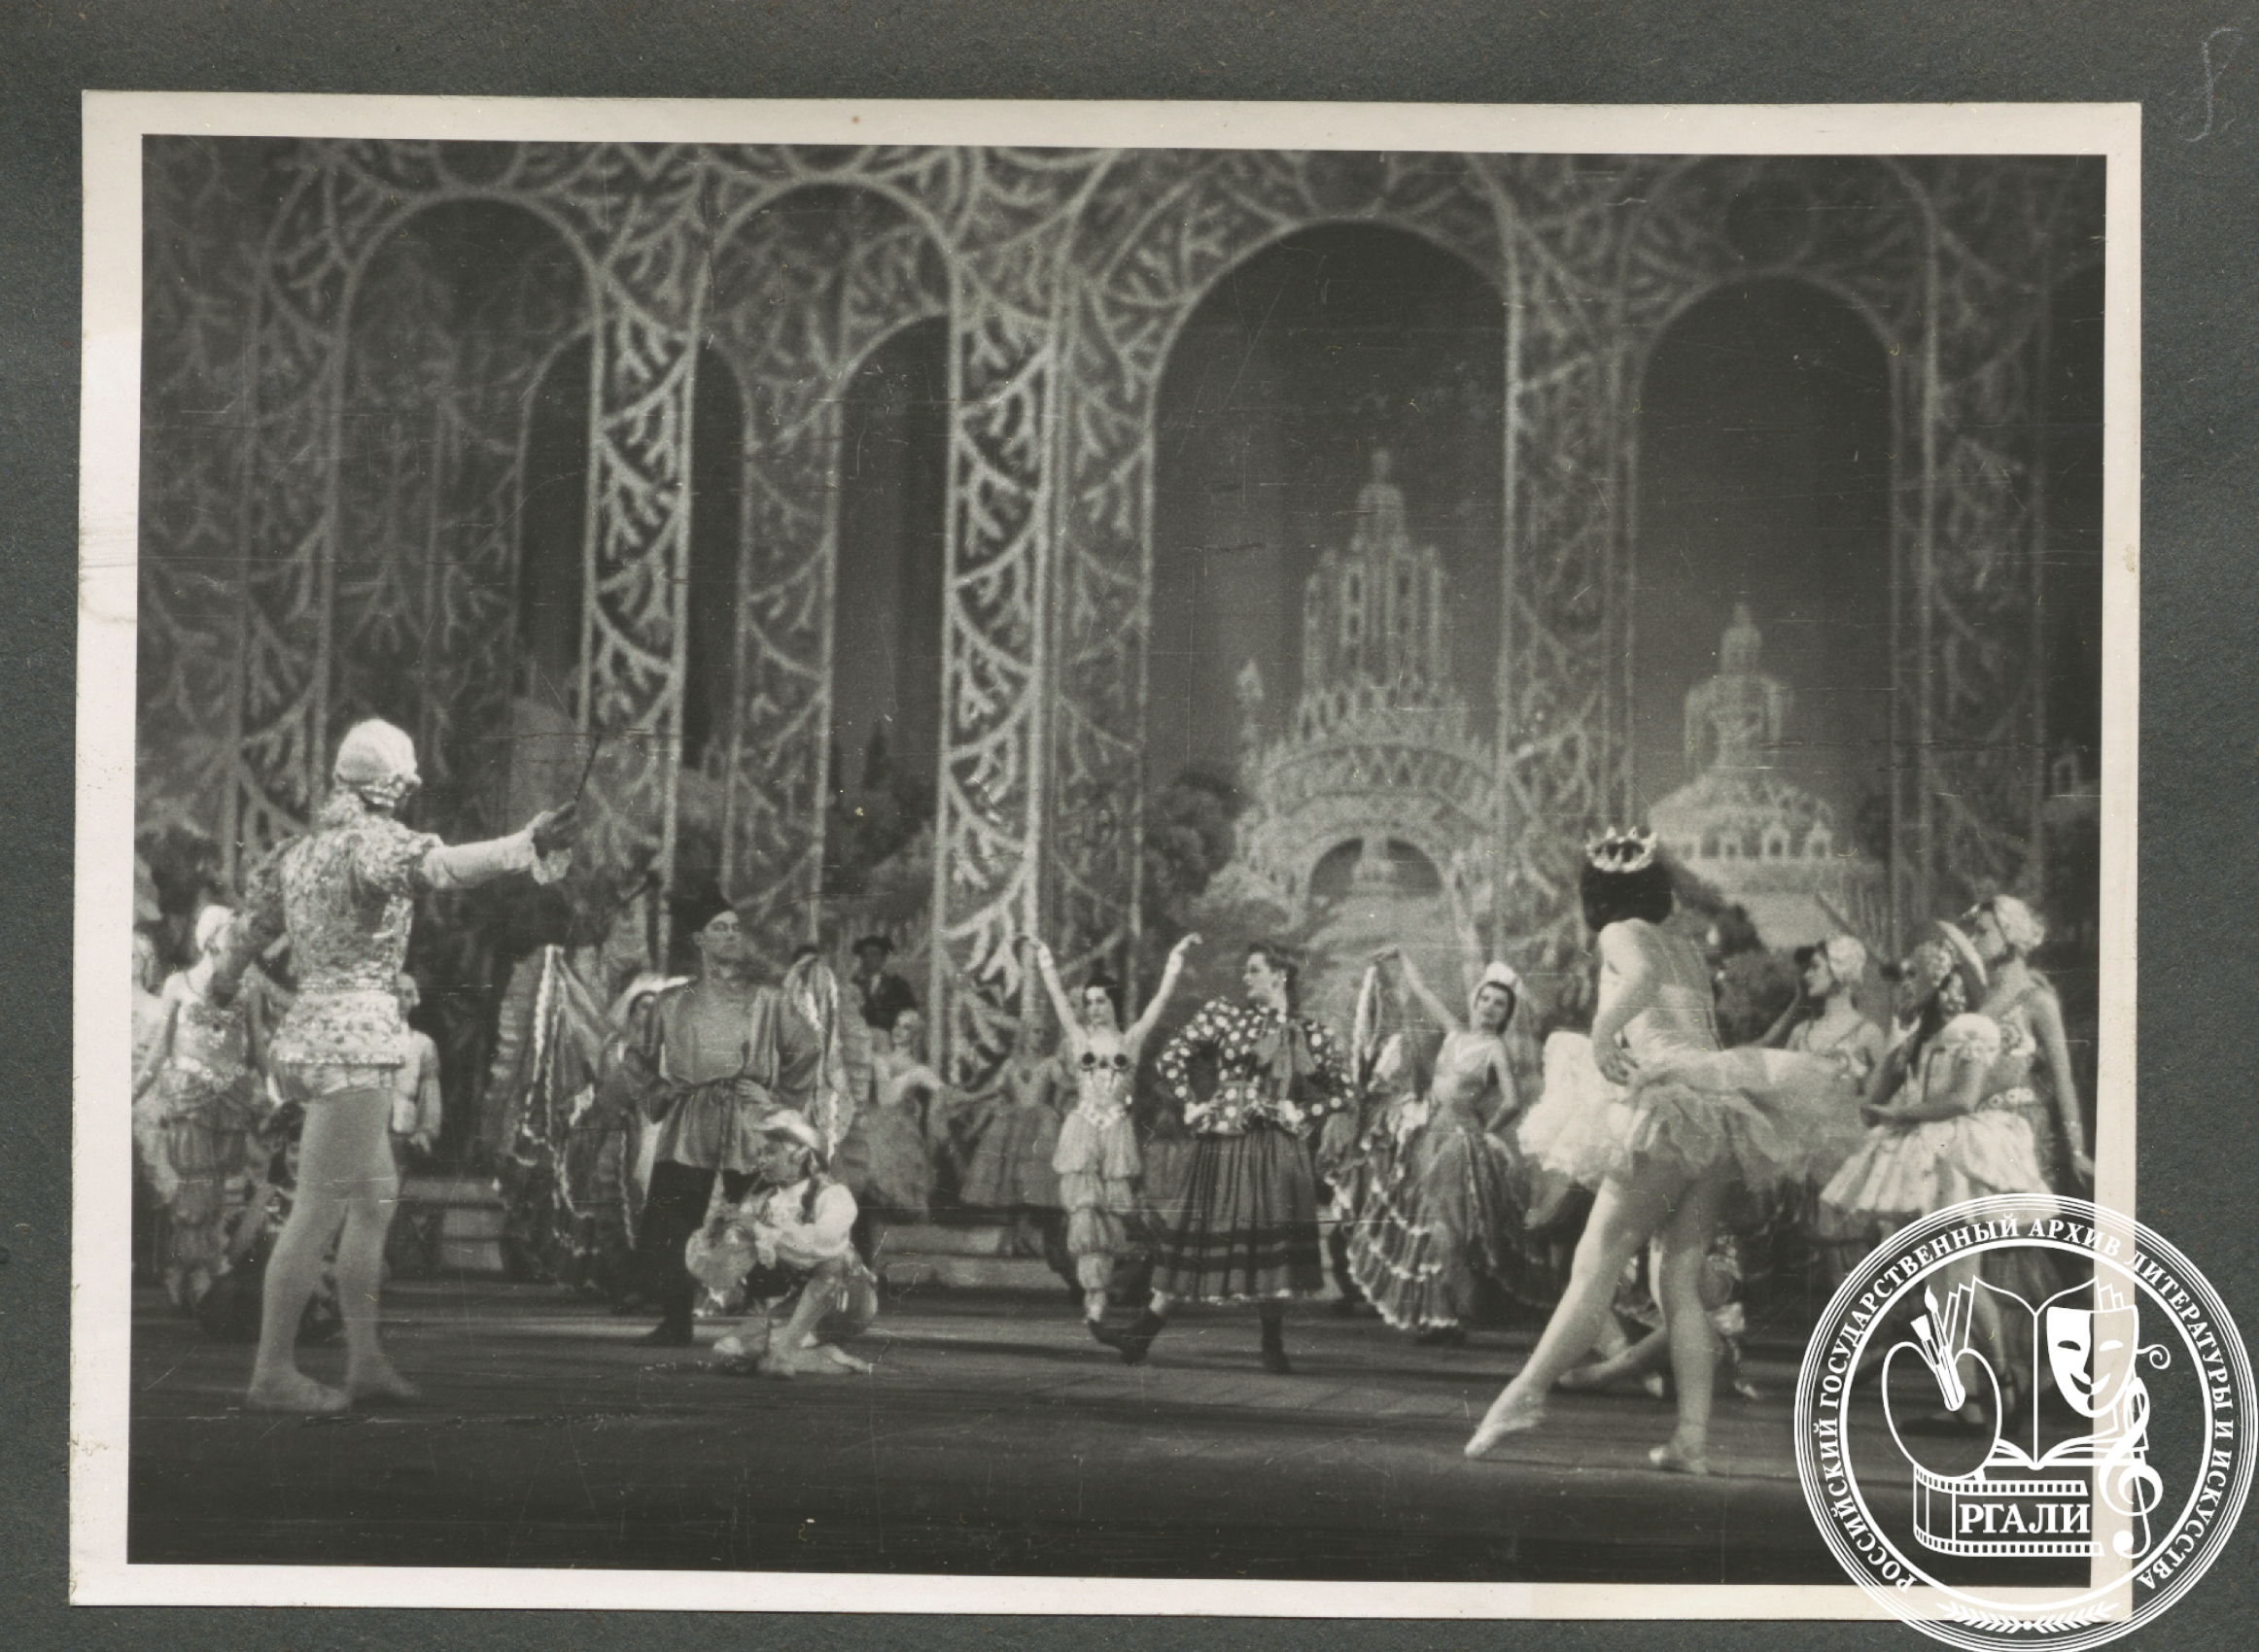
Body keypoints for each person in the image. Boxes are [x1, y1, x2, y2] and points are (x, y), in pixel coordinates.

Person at [209, 718, 577, 1412]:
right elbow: (445, 867)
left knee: (374, 1197)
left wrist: (221, 984)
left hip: (316, 1035)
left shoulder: (301, 852)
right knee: (316, 1210)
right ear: (397, 785)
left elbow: (248, 932)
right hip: (354, 1044)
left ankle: (366, 1361)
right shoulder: (373, 844)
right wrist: (526, 842)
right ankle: (272, 1372)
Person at [1471, 829, 1859, 1473]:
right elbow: (1697, 1033)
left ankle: (1525, 1393)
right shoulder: (1685, 947)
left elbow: (1643, 982)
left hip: (1670, 1112)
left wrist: (1601, 1034)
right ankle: (1691, 1439)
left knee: (1597, 1262)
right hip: (1715, 1115)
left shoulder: (1620, 932)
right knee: (1677, 1279)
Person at [1817, 924, 2054, 1426]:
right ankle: (1973, 1398)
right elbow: (1874, 1100)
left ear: (1943, 981)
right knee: (1942, 1285)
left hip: (1956, 1156)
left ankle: (1994, 1383)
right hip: (1926, 1154)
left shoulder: (1971, 1031)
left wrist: (1901, 1113)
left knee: (1957, 1281)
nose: (1905, 985)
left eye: (1914, 976)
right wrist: (1896, 1054)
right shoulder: (1919, 1037)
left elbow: (1963, 1099)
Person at [1116, 940, 1352, 1373]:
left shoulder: (1308, 1031)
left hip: (1275, 1147)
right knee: (1196, 1233)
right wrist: (1191, 1103)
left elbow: (1343, 1092)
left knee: (1268, 1241)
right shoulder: (1225, 1016)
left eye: (1254, 969)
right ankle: (1142, 1331)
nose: (1245, 977)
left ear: (1279, 975)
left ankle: (1271, 1344)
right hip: (1223, 1142)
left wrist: (1300, 1111)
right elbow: (1171, 1059)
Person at [627, 884, 840, 1348]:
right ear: (699, 941)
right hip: (690, 1122)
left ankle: (773, 1322)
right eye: (719, 929)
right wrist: (663, 1090)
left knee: (764, 1214)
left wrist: (776, 1100)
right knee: (675, 1219)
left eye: (735, 928)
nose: (730, 936)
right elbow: (635, 1058)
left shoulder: (767, 1000)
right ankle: (675, 1320)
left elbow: (808, 1048)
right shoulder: (671, 1002)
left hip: (749, 1122)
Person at [1345, 948, 1536, 1343]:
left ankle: (1450, 1316)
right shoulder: (1455, 1031)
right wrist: (1401, 957)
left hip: (1458, 1140)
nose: (1489, 1008)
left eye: (1499, 1004)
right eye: (1485, 999)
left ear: (1506, 1014)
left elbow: (1513, 1101)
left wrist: (1485, 1132)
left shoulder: (1495, 1049)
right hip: (1427, 1130)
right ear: (1475, 1001)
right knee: (1422, 1219)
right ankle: (1434, 1314)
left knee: (1446, 1226)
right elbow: (1423, 991)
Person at [1019, 931, 1199, 1346]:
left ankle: (1113, 1292)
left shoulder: (1130, 1040)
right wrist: (1045, 958)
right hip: (1084, 1128)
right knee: (1084, 1211)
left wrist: (1174, 960)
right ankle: (1095, 1297)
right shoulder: (1078, 1038)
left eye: (1101, 1001)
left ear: (1114, 1002)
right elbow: (1058, 1000)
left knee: (1112, 1214)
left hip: (1116, 1130)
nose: (1094, 1008)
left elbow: (1159, 1002)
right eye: (1089, 1002)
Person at [134, 906, 270, 1310]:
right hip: (190, 1095)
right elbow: (160, 1049)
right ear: (211, 938)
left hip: (231, 1097)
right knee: (195, 1188)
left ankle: (209, 1263)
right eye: (231, 932)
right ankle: (190, 1270)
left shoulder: (249, 987)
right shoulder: (178, 984)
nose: (238, 940)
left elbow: (258, 1048)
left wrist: (278, 1092)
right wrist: (133, 1091)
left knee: (221, 1190)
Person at [698, 1111, 879, 1377]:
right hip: (794, 1304)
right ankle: (818, 1356)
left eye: (771, 1152)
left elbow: (817, 1246)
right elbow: (726, 1274)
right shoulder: (760, 1203)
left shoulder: (832, 1196)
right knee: (727, 1352)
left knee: (832, 1263)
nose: (762, 1160)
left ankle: (783, 1353)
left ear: (800, 1154)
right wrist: (718, 1237)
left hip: (845, 1300)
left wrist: (756, 1228)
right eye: (760, 1153)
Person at [1963, 896, 2093, 1190]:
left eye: (1983, 932)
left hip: (2022, 1126)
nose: (1974, 940)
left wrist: (2077, 1151)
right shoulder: (1981, 1002)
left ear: (2010, 934)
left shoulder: (2038, 1000)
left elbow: (2063, 1080)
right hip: (1978, 1129)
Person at [957, 1032, 1065, 1259]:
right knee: (1012, 1180)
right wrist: (969, 1099)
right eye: (1033, 1031)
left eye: (1041, 1032)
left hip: (1039, 1125)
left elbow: (1065, 1086)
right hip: (1013, 1124)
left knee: (1030, 1181)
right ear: (1025, 1035)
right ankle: (1016, 1239)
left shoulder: (1050, 1063)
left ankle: (1023, 1237)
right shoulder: (1010, 1064)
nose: (1038, 1037)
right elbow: (995, 1090)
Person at [388, 973, 443, 1164]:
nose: (402, 1000)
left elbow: (430, 1091)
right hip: (369, 1123)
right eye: (396, 993)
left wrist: (425, 1130)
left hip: (403, 1127)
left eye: (408, 994)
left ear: (414, 999)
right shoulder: (368, 1041)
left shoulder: (423, 1043)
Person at [850, 935, 918, 1034]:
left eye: (874, 954)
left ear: (883, 958)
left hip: (890, 1037)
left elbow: (909, 1014)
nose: (868, 959)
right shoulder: (853, 985)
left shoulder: (897, 985)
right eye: (864, 955)